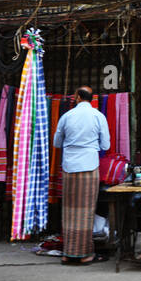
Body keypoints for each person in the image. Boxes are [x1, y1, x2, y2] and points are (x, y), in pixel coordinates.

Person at [51, 86, 110, 265]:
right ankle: (85, 254)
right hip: (89, 166)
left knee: (69, 211)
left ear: (77, 97)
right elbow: (106, 145)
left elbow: (57, 142)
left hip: (69, 167)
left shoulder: (67, 117)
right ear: (91, 99)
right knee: (86, 211)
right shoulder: (98, 116)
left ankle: (67, 254)